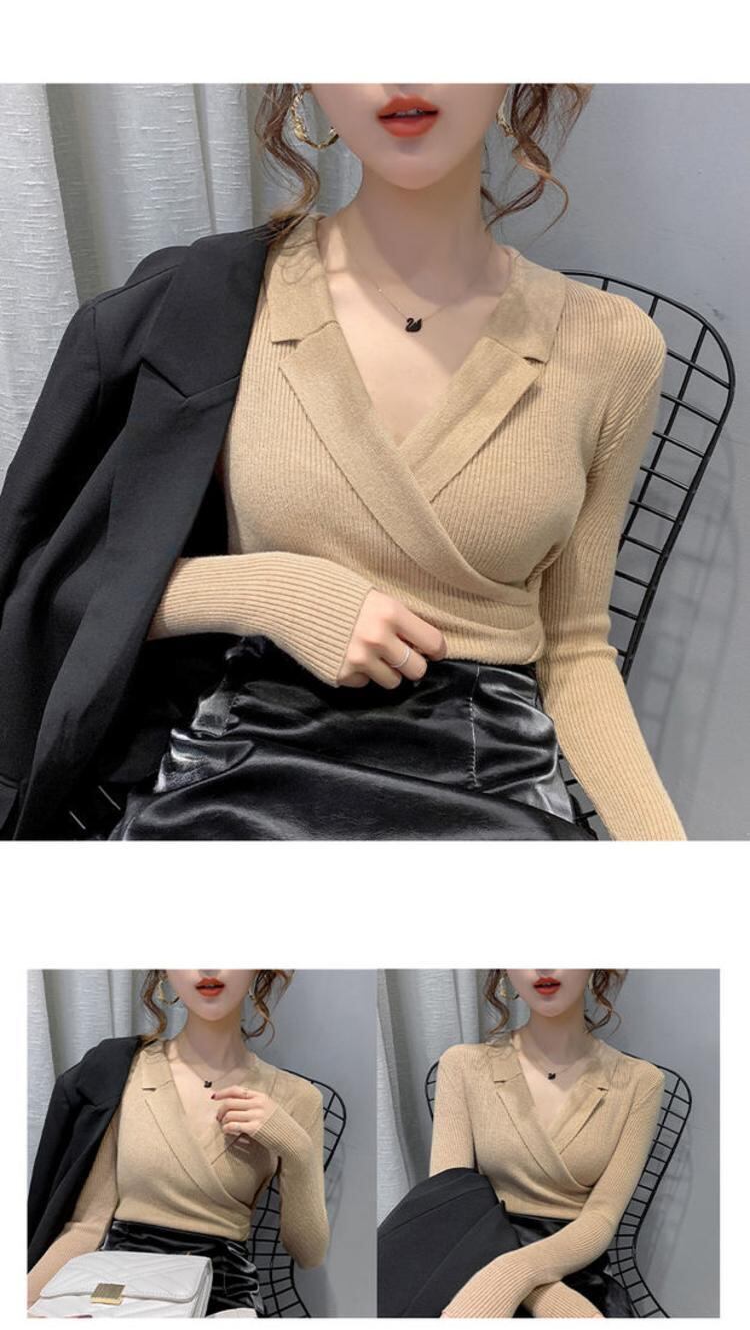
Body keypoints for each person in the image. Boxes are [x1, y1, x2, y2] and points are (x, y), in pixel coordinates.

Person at [0, 83, 686, 842]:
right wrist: (265, 591)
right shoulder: (212, 304)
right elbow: (53, 587)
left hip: (490, 784)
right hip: (238, 781)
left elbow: (575, 647)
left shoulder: (609, 346)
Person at [27, 969, 329, 1315]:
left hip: (223, 1299)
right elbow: (87, 1225)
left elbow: (309, 1254)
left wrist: (295, 1147)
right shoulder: (124, 1071)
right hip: (123, 1293)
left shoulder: (296, 1098)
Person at [428, 968, 664, 1318]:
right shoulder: (463, 1066)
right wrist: (515, 1284)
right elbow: (448, 1206)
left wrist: (515, 1274)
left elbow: (602, 1217)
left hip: (575, 1272)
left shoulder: (639, 1082)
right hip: (475, 1264)